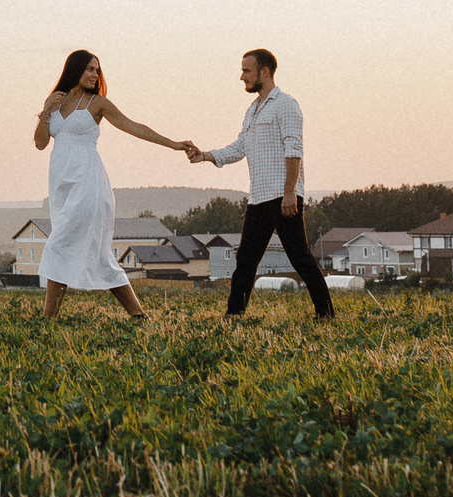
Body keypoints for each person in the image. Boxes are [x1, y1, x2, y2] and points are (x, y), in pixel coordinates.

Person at [32, 49, 203, 320]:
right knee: (92, 254)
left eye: (97, 70)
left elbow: (133, 126)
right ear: (74, 70)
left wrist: (172, 144)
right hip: (62, 187)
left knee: (58, 245)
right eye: (89, 69)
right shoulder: (56, 103)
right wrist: (45, 112)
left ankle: (47, 318)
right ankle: (138, 315)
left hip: (89, 185)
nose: (95, 74)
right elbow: (41, 143)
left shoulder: (98, 103)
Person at [184, 47, 336, 319]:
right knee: (246, 259)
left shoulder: (285, 104)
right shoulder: (252, 111)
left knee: (299, 257)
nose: (242, 77)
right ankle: (234, 315)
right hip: (258, 199)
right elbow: (239, 147)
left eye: (246, 71)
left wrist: (290, 192)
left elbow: (294, 149)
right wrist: (205, 156)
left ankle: (325, 314)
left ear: (264, 72)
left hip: (283, 196)